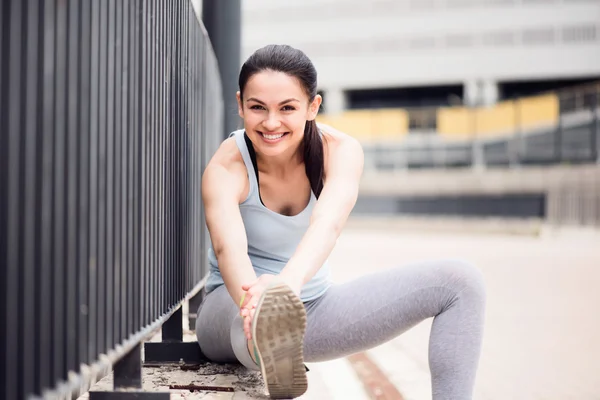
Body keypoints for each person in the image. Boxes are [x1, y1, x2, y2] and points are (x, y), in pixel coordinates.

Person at [195, 44, 486, 400]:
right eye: (258, 108)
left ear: (313, 107)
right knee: (259, 319)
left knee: (461, 282)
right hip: (232, 310)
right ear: (241, 105)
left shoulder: (340, 150)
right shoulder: (227, 166)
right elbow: (228, 249)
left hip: (311, 307)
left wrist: (286, 287)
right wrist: (260, 303)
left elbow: (327, 224)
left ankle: (277, 341)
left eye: (287, 108)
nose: (271, 123)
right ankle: (268, 340)